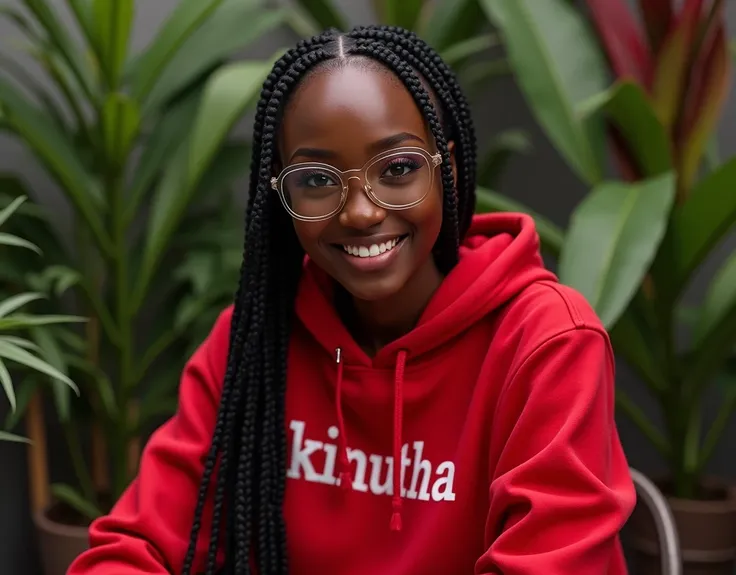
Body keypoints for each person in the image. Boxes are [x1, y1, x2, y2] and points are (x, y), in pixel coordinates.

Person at [67, 25, 635, 575]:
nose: (360, 212)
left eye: (399, 169)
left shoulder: (547, 343)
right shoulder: (254, 341)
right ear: (280, 195)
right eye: (316, 180)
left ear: (450, 169)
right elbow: (133, 546)